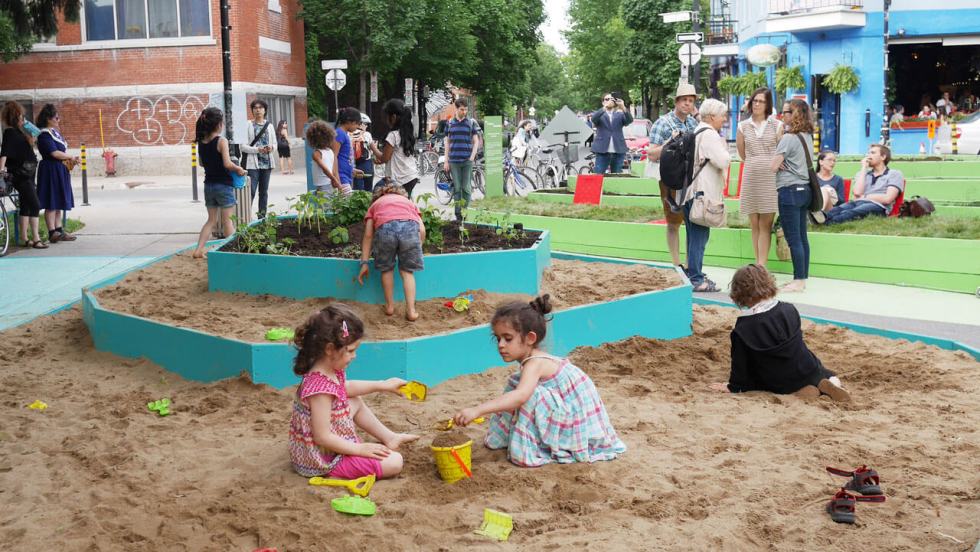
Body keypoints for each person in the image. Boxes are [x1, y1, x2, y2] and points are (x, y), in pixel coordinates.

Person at [452, 295, 626, 467]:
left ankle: (529, 445)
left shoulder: (534, 363)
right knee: (518, 385)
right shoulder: (532, 361)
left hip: (575, 414)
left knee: (526, 394)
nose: (501, 345)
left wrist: (478, 410)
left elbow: (520, 397)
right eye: (498, 339)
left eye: (508, 338)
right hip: (567, 404)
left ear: (530, 338)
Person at [289, 304, 419, 479]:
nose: (354, 356)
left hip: (328, 443)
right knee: (395, 462)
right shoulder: (319, 389)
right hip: (324, 458)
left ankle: (390, 437)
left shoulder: (329, 368)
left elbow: (345, 389)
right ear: (329, 349)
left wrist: (383, 385)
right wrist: (359, 449)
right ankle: (340, 467)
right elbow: (322, 436)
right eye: (350, 351)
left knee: (354, 400)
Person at [709, 264, 851, 401]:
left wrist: (734, 387)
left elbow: (740, 365)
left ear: (738, 293)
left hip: (779, 381)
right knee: (822, 372)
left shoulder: (742, 328)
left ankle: (804, 391)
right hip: (807, 368)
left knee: (761, 375)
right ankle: (831, 383)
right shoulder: (788, 309)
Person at [648, 83, 699, 269]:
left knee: (692, 221)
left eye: (691, 101)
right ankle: (677, 263)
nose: (687, 104)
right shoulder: (662, 123)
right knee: (673, 221)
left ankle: (690, 263)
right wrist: (670, 142)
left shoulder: (694, 123)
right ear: (676, 102)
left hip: (691, 178)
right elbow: (651, 154)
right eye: (684, 100)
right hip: (670, 179)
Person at [681, 98, 730, 293]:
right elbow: (723, 161)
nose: (724, 119)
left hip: (689, 192)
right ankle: (696, 279)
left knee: (693, 236)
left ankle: (693, 273)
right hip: (702, 193)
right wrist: (725, 148)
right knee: (700, 238)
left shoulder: (696, 131)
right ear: (711, 117)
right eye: (722, 115)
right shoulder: (709, 135)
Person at [356, 185, 425, 321]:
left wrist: (364, 263)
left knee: (387, 270)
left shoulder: (375, 204)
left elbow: (368, 235)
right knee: (407, 272)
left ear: (377, 196)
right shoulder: (408, 202)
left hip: (385, 229)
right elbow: (421, 230)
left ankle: (389, 307)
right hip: (409, 228)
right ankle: (411, 311)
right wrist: (417, 247)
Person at [770, 99, 814, 293]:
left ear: (794, 114)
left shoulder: (789, 138)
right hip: (804, 190)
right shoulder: (806, 136)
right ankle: (802, 278)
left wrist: (778, 160)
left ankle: (798, 281)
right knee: (802, 237)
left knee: (793, 238)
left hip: (789, 190)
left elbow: (773, 166)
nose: (782, 115)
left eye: (786, 112)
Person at [192, 107, 247, 259]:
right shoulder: (221, 141)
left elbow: (202, 164)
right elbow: (227, 164)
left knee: (210, 220)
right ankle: (234, 252)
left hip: (208, 185)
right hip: (223, 185)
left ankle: (198, 250)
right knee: (228, 221)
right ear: (218, 124)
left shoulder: (201, 142)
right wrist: (239, 169)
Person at [737, 87, 782, 267]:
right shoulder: (742, 126)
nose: (757, 104)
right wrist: (755, 162)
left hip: (770, 176)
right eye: (754, 100)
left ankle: (762, 265)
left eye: (761, 101)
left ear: (768, 104)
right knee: (754, 222)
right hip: (751, 174)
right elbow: (741, 152)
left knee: (766, 222)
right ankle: (758, 263)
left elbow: (781, 150)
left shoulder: (777, 125)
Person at [812, 144, 904, 226]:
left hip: (879, 206)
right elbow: (857, 193)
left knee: (853, 212)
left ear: (883, 157)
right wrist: (864, 168)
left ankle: (826, 224)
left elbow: (888, 198)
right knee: (839, 209)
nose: (868, 156)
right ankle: (819, 218)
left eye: (872, 153)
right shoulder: (862, 174)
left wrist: (865, 196)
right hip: (857, 202)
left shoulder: (894, 174)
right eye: (868, 153)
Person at [0, 101, 47, 248]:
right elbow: (4, 153)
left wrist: (28, 129)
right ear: (15, 117)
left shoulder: (19, 132)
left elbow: (33, 140)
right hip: (21, 175)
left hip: (29, 172)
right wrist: (1, 170)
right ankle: (37, 238)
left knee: (26, 205)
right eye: (21, 115)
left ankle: (25, 238)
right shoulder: (9, 133)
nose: (23, 118)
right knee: (35, 204)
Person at [35, 104, 80, 243]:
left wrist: (70, 158)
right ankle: (52, 232)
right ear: (48, 118)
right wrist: (70, 157)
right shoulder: (44, 134)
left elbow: (61, 152)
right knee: (51, 201)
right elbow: (54, 153)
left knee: (59, 200)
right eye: (56, 117)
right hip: (50, 170)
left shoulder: (55, 133)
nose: (58, 120)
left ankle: (59, 230)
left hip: (59, 169)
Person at [443, 98, 480, 221]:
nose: (464, 112)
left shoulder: (470, 123)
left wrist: (472, 157)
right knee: (457, 188)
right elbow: (447, 142)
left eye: (466, 109)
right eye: (462, 109)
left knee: (466, 188)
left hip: (467, 160)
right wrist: (446, 160)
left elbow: (476, 141)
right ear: (456, 109)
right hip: (454, 161)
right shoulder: (450, 123)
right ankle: (458, 214)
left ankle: (465, 212)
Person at [374, 98, 419, 197]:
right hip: (411, 175)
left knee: (377, 191)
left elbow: (385, 158)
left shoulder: (393, 135)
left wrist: (372, 147)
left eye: (387, 117)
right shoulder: (407, 133)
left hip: (399, 178)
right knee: (404, 204)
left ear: (393, 117)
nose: (386, 120)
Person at [243, 99, 277, 219]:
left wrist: (270, 148)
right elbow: (243, 146)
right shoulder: (248, 125)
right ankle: (246, 217)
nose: (258, 110)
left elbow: (275, 144)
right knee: (251, 192)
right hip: (252, 164)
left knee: (263, 193)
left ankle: (262, 219)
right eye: (255, 108)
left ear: (265, 110)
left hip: (266, 164)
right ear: (252, 110)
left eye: (260, 107)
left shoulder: (270, 126)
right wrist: (258, 150)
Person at [590, 92, 633, 174]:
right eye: (607, 99)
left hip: (618, 151)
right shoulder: (600, 113)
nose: (609, 100)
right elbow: (594, 119)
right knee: (598, 176)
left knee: (616, 177)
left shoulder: (620, 114)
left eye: (611, 99)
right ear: (603, 102)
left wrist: (623, 107)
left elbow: (629, 120)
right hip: (602, 151)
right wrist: (605, 107)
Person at [305, 120, 347, 196]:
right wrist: (337, 182)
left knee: (325, 207)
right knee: (332, 206)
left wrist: (334, 180)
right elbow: (334, 171)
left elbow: (325, 169)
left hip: (325, 185)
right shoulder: (330, 151)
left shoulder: (317, 153)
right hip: (331, 184)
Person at [334, 107, 362, 191]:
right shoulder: (340, 134)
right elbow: (334, 156)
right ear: (350, 122)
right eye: (357, 123)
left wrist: (352, 170)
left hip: (346, 176)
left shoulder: (344, 134)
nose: (358, 127)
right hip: (341, 177)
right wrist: (337, 178)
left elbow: (344, 157)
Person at [351, 113, 379, 192]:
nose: (366, 126)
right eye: (366, 124)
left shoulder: (348, 134)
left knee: (357, 191)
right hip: (367, 165)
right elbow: (374, 150)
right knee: (368, 189)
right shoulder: (367, 134)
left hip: (355, 165)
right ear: (361, 124)